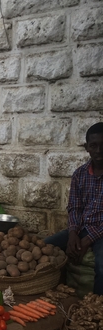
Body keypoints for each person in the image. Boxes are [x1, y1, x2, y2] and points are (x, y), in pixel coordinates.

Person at [45, 122, 103, 295]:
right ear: (87, 148)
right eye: (94, 146)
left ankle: (97, 309)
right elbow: (75, 208)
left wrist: (87, 240)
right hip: (82, 228)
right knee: (45, 248)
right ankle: (58, 295)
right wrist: (72, 234)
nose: (99, 151)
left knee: (102, 266)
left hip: (101, 232)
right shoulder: (80, 174)